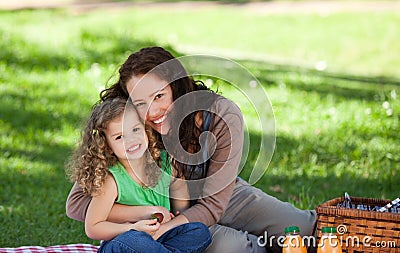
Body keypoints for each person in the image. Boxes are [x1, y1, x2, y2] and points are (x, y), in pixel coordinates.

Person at [66, 46, 317, 253]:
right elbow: (77, 204)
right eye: (140, 103)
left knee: (301, 230)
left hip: (218, 195)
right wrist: (150, 217)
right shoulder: (129, 127)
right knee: (236, 248)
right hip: (164, 216)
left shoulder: (220, 115)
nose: (153, 112)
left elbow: (213, 204)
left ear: (177, 85)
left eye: (159, 96)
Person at [66, 97, 211, 253]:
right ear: (106, 146)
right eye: (119, 137)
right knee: (137, 240)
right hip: (124, 241)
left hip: (160, 236)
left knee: (199, 231)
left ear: (145, 130)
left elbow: (179, 185)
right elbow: (93, 227)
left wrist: (178, 216)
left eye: (135, 129)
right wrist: (133, 228)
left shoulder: (164, 162)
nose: (131, 140)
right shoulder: (112, 179)